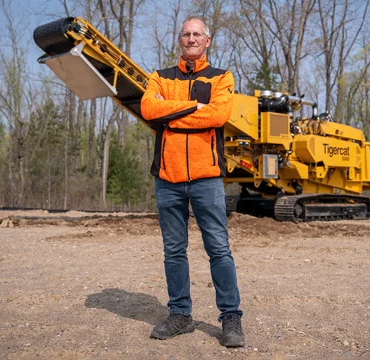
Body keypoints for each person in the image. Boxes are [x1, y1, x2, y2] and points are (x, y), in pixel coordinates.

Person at [140, 16, 244, 348]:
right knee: (174, 251)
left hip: (207, 179)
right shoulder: (159, 77)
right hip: (168, 179)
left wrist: (169, 115)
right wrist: (192, 107)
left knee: (219, 250)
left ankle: (231, 318)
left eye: (197, 34)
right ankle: (181, 316)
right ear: (179, 40)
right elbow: (147, 109)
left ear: (207, 41)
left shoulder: (222, 77)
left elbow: (217, 115)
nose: (191, 38)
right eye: (186, 34)